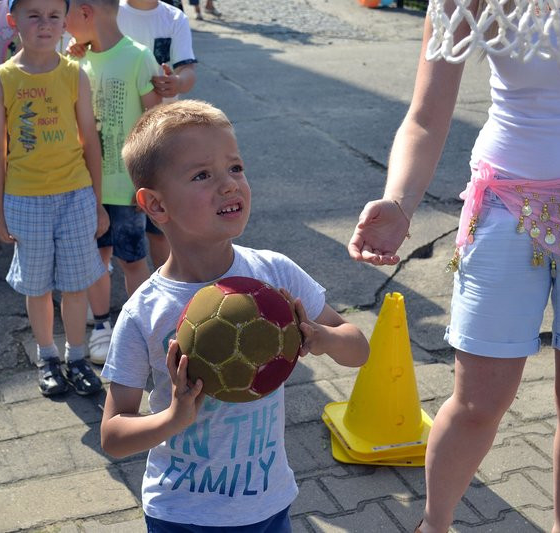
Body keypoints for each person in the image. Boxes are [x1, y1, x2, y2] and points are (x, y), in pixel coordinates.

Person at [347, 1, 560, 532]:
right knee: (477, 402)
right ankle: (434, 526)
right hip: (505, 204)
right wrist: (399, 202)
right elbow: (425, 114)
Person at [100, 100, 370, 530]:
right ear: (155, 205)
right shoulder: (144, 311)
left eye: (236, 168)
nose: (229, 185)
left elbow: (358, 349)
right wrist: (172, 417)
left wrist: (320, 336)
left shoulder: (273, 272)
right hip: (181, 514)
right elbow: (113, 434)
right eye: (202, 175)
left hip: (269, 503)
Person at [0, 0, 108, 396]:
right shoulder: (2, 79)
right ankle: (48, 356)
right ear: (12, 22)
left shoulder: (75, 74)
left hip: (75, 195)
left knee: (75, 285)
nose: (45, 24)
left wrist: (98, 201)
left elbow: (91, 139)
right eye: (33, 15)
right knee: (36, 287)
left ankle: (77, 357)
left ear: (65, 22)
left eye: (54, 15)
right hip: (25, 198)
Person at [65, 0, 162, 365]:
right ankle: (102, 324)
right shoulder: (74, 60)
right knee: (96, 258)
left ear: (86, 13)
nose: (63, 24)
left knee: (132, 260)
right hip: (84, 185)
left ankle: (144, 328)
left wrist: (150, 178)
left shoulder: (138, 57)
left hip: (124, 187)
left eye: (67, 14)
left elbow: (155, 122)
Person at [117, 0, 197, 270]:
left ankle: (171, 282)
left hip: (162, 132)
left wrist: (177, 82)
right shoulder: (110, 11)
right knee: (119, 219)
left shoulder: (173, 17)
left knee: (160, 224)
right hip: (118, 127)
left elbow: (187, 71)